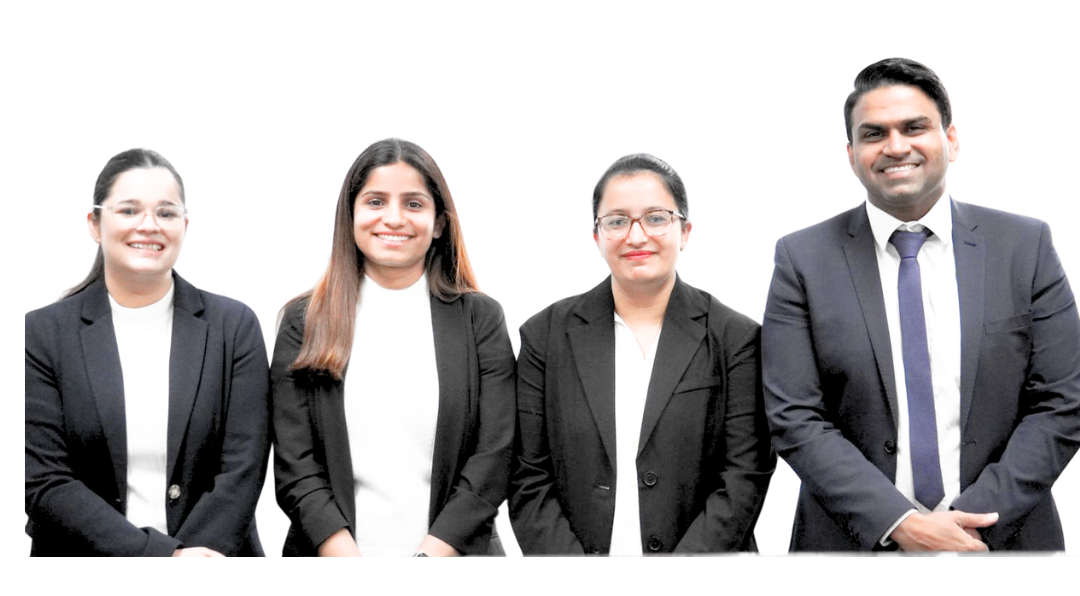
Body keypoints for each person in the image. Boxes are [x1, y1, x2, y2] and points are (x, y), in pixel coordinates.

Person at [762, 57, 1080, 551]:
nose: (896, 146)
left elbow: (1062, 404)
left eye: (915, 127)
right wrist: (900, 523)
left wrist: (970, 525)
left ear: (951, 140)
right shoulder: (801, 258)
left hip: (1004, 538)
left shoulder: (1026, 246)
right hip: (853, 540)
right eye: (874, 134)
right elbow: (794, 417)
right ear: (851, 155)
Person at [510, 152, 773, 554]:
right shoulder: (546, 336)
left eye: (655, 217)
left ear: (685, 230)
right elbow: (527, 477)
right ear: (596, 236)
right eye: (617, 220)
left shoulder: (735, 337)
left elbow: (745, 475)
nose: (636, 236)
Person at [271, 137, 514, 557]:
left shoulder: (482, 319)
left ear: (439, 222)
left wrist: (431, 554)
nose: (394, 218)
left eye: (414, 204)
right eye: (376, 201)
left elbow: (494, 454)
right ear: (351, 216)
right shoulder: (302, 320)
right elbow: (293, 460)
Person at [24, 146, 269, 556]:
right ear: (94, 224)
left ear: (185, 226)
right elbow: (45, 478)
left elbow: (245, 466)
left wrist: (199, 551)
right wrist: (162, 555)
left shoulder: (234, 326)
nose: (148, 225)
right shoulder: (42, 334)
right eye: (128, 210)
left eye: (166, 213)